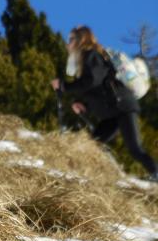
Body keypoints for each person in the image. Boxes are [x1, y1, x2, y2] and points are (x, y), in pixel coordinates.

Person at [51, 25, 158, 182]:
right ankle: (94, 177)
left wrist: (64, 86)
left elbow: (92, 81)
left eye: (71, 39)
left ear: (81, 40)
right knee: (92, 144)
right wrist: (83, 104)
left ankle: (155, 174)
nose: (68, 43)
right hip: (113, 111)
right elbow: (98, 88)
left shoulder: (91, 55)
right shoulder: (88, 60)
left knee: (135, 148)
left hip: (123, 107)